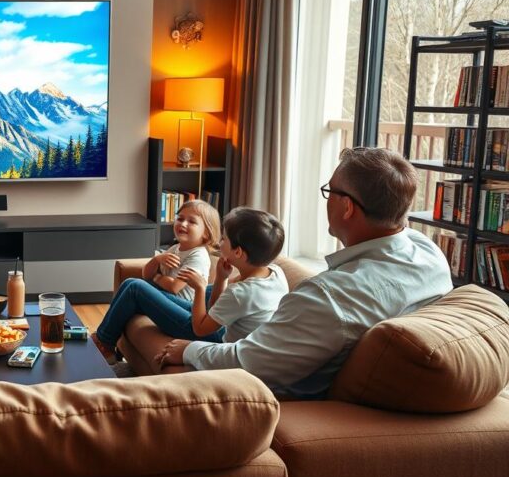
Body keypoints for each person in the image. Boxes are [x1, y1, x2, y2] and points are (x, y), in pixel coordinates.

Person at [156, 147, 454, 399]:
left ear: (347, 207)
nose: (328, 200)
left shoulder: (328, 296)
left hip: (279, 400)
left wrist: (190, 350)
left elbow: (248, 360)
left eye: (330, 192)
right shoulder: (428, 252)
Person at [90, 200, 220, 364]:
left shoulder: (198, 256)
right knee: (130, 283)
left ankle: (103, 343)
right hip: (169, 299)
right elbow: (146, 275)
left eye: (192, 221)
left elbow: (174, 287)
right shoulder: (175, 249)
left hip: (183, 307)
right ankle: (103, 340)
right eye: (180, 218)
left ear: (206, 233)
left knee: (135, 288)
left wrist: (157, 278)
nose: (183, 224)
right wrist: (157, 259)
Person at [176, 207, 288, 345]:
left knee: (140, 287)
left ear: (238, 252)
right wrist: (222, 278)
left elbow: (200, 329)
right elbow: (218, 305)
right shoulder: (276, 272)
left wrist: (200, 289)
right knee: (209, 290)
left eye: (223, 239)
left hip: (223, 343)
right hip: (231, 322)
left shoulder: (240, 293)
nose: (219, 243)